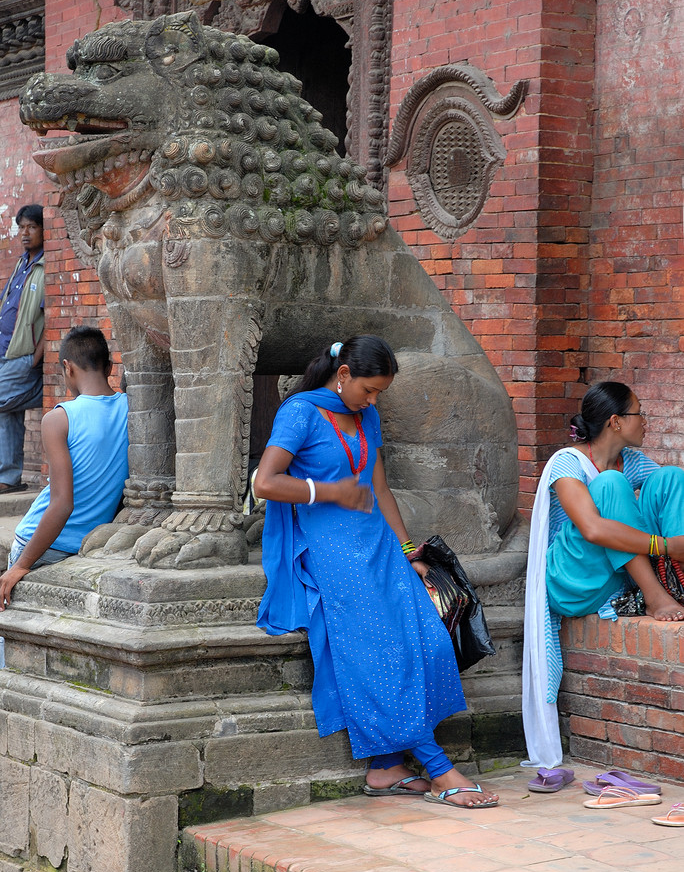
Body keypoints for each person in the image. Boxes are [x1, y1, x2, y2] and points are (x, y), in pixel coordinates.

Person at [254, 335, 499, 808]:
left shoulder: (367, 415)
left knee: (427, 637)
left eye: (380, 392)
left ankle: (386, 767)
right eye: (369, 389)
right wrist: (329, 492)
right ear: (343, 375)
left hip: (378, 543)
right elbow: (265, 482)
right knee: (382, 650)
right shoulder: (300, 412)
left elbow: (380, 488)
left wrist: (409, 551)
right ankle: (438, 766)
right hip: (328, 546)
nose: (374, 399)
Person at [522, 381, 684, 769]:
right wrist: (662, 545)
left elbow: (666, 499)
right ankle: (658, 596)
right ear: (615, 421)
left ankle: (678, 582)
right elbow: (593, 529)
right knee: (611, 485)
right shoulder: (567, 462)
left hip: (614, 575)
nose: (646, 421)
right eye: (639, 413)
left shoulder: (636, 462)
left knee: (672, 478)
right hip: (573, 580)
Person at [0, 325, 129, 619]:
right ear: (109, 366)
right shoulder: (132, 410)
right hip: (84, 544)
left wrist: (21, 566)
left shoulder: (59, 418)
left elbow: (62, 503)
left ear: (67, 368)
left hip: (39, 543)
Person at [0, 204, 45, 492]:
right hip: (5, 354)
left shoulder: (45, 267)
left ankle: (37, 391)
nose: (25, 233)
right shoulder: (21, 263)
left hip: (23, 358)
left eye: (32, 227)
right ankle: (8, 477)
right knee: (6, 410)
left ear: (43, 229)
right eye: (21, 227)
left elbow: (50, 319)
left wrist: (34, 361)